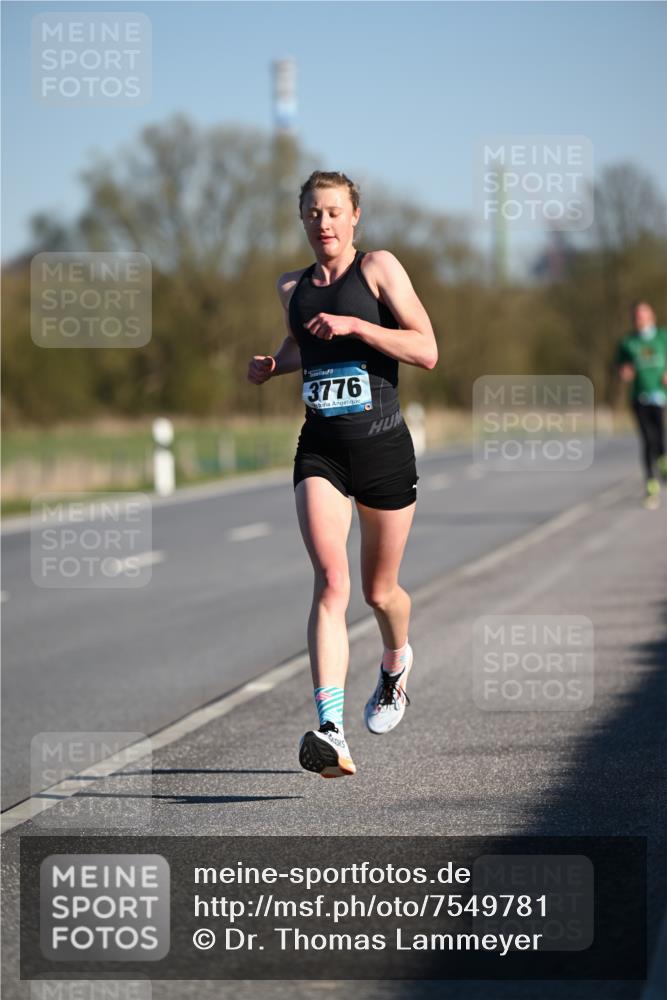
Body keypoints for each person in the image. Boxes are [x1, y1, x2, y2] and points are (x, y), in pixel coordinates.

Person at [247, 170, 437, 777]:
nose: (322, 223)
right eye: (312, 213)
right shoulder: (292, 287)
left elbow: (426, 348)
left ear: (354, 217)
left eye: (333, 212)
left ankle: (395, 661)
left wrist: (358, 326)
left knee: (381, 592)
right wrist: (276, 364)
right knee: (331, 581)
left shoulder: (379, 268)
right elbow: (309, 346)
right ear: (301, 219)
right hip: (321, 448)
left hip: (383, 450)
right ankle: (330, 728)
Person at [615, 300, 667, 509]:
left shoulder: (663, 337)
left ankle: (663, 461)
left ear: (651, 316)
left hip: (660, 395)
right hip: (639, 396)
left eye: (644, 314)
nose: (640, 318)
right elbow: (622, 366)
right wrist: (624, 372)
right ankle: (650, 483)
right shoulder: (628, 342)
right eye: (637, 315)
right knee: (646, 439)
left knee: (660, 435)